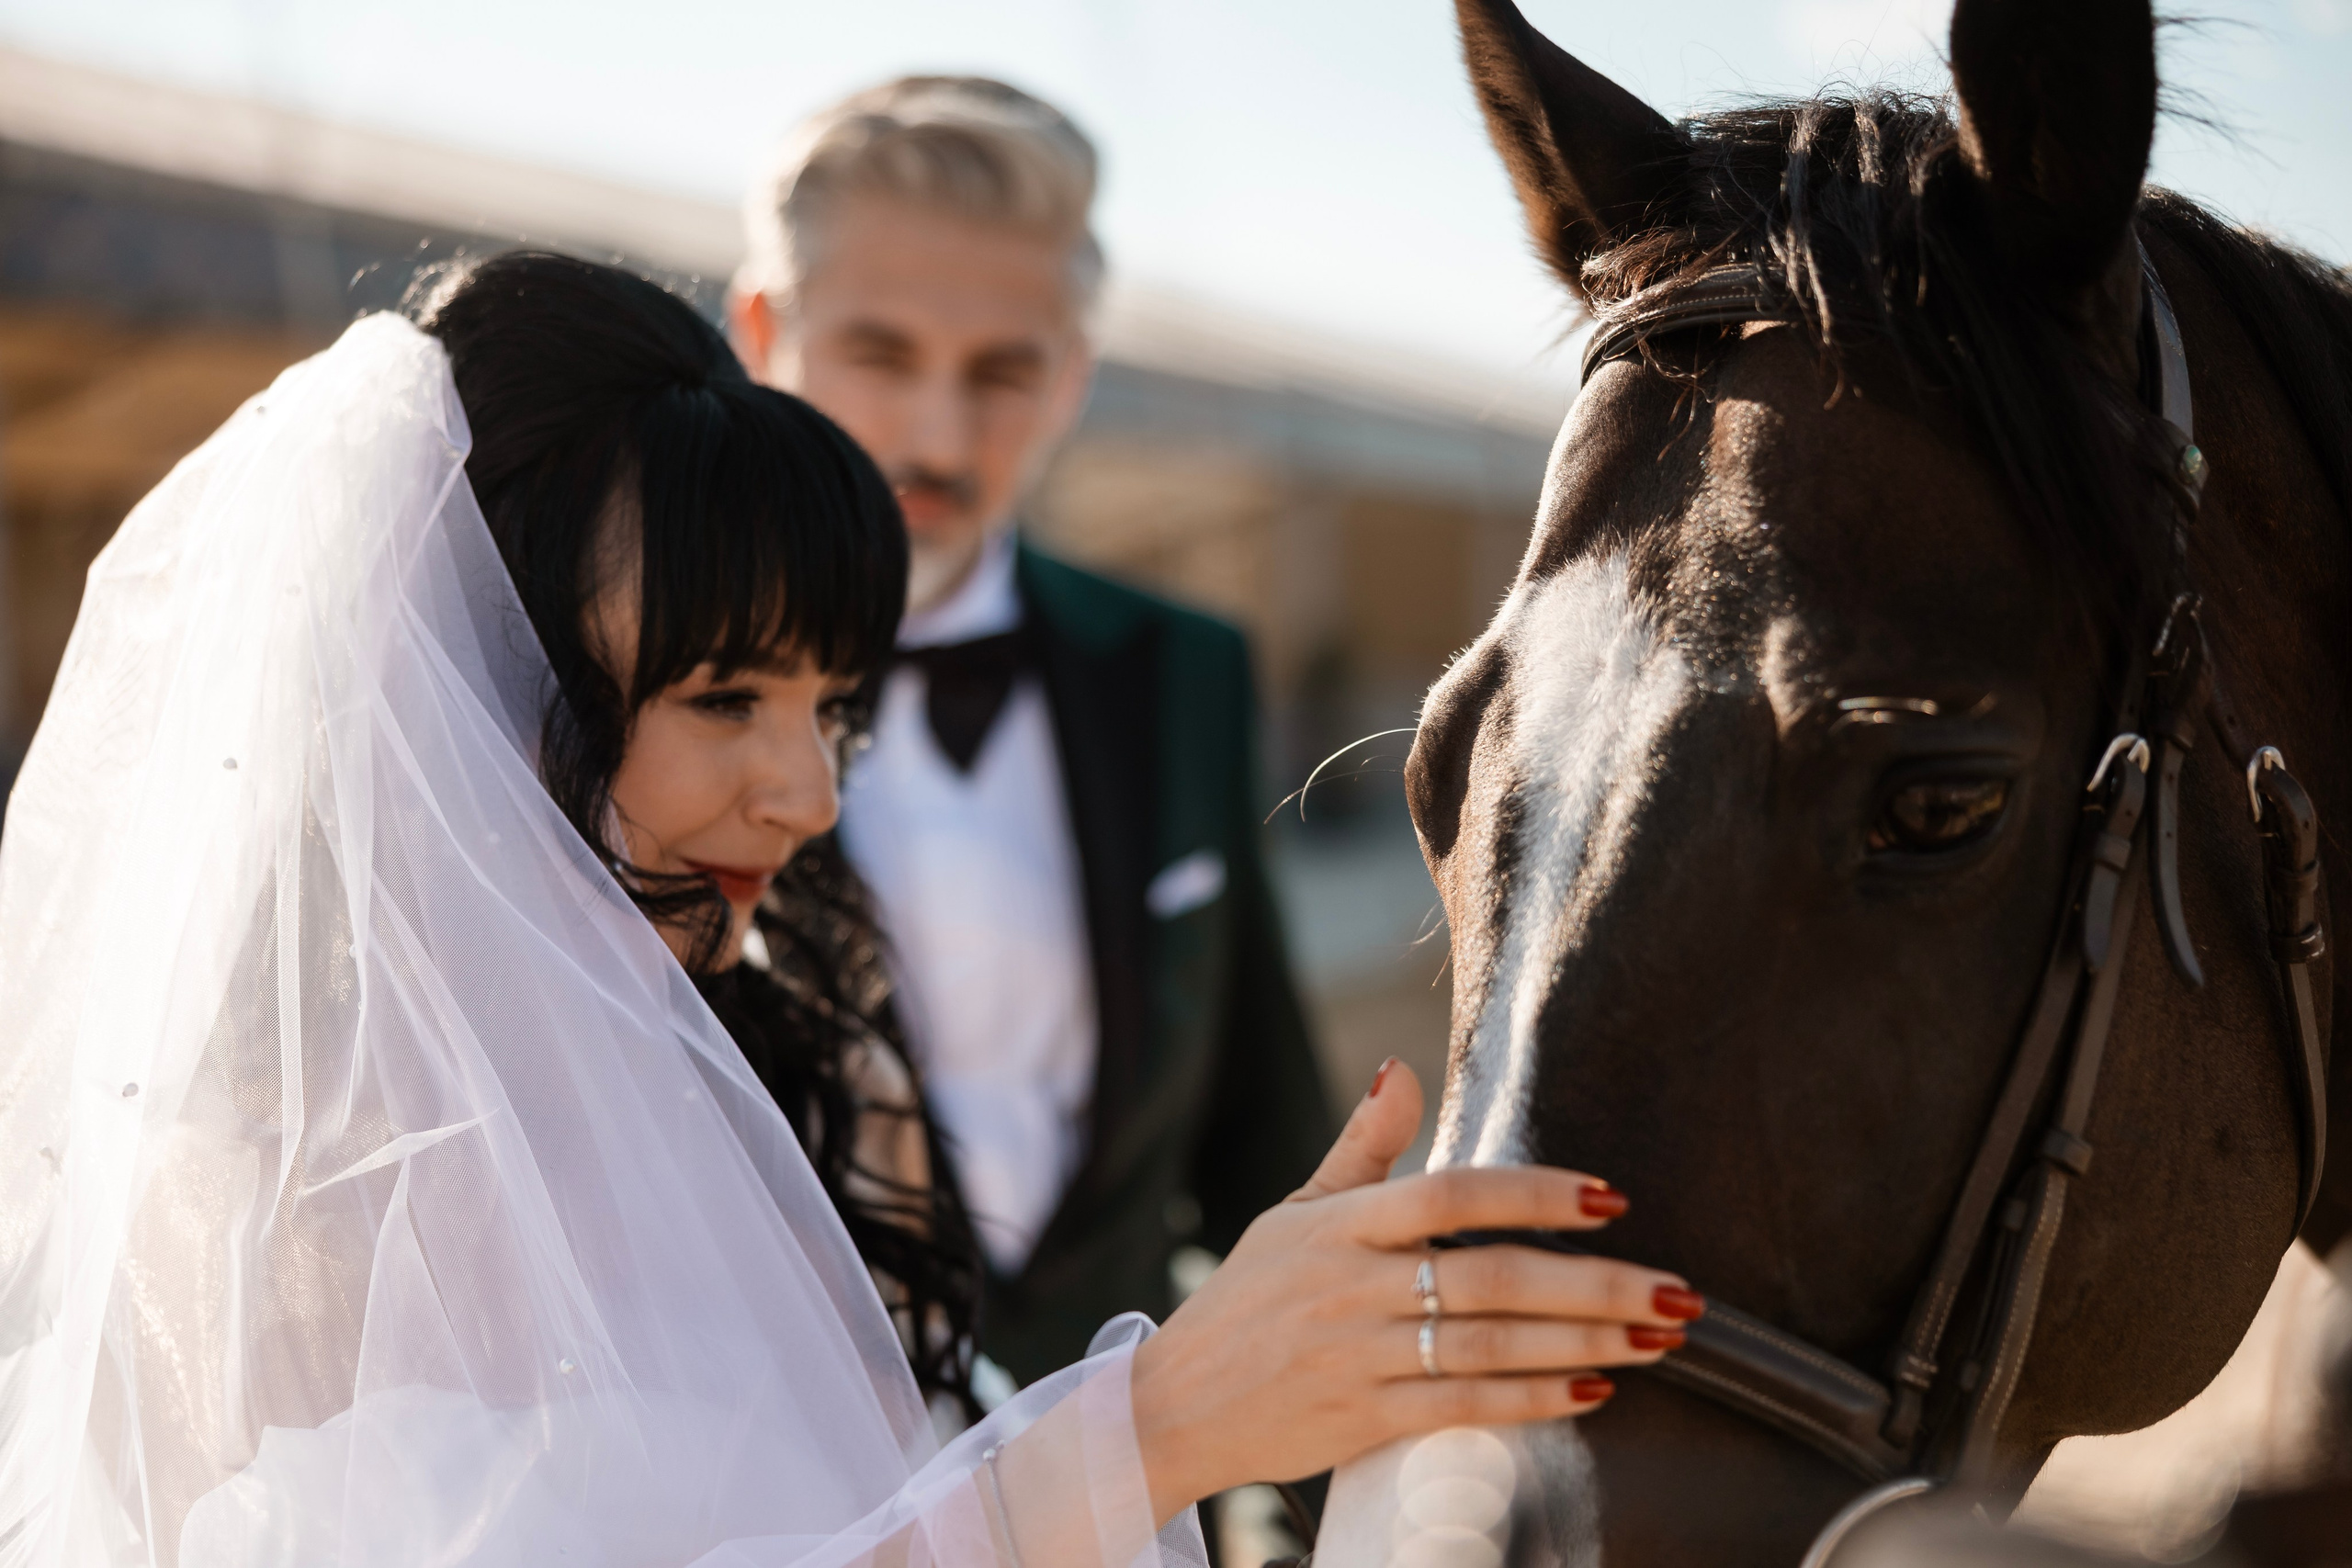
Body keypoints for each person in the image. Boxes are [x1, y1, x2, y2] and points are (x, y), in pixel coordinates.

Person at [0, 251, 1703, 1565]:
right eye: (724, 697)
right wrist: (1159, 1421)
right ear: (460, 688)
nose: (810, 797)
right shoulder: (272, 1208)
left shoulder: (791, 1070)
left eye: (831, 709)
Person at [728, 77, 1334, 1387]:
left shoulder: (1188, 670)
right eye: (882, 356)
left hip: (1141, 1471)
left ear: (1072, 379)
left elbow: (1263, 1138)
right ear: (764, 331)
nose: (939, 435)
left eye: (1003, 372)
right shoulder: (632, 676)